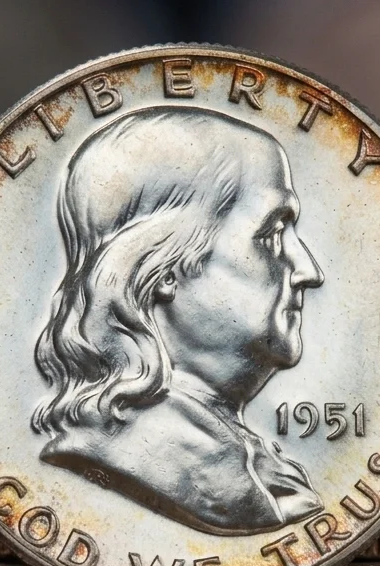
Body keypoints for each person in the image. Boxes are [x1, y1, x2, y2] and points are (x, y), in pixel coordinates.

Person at [31, 106, 326, 536]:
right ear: (161, 269)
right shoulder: (141, 458)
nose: (309, 270)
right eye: (271, 235)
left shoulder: (256, 464)